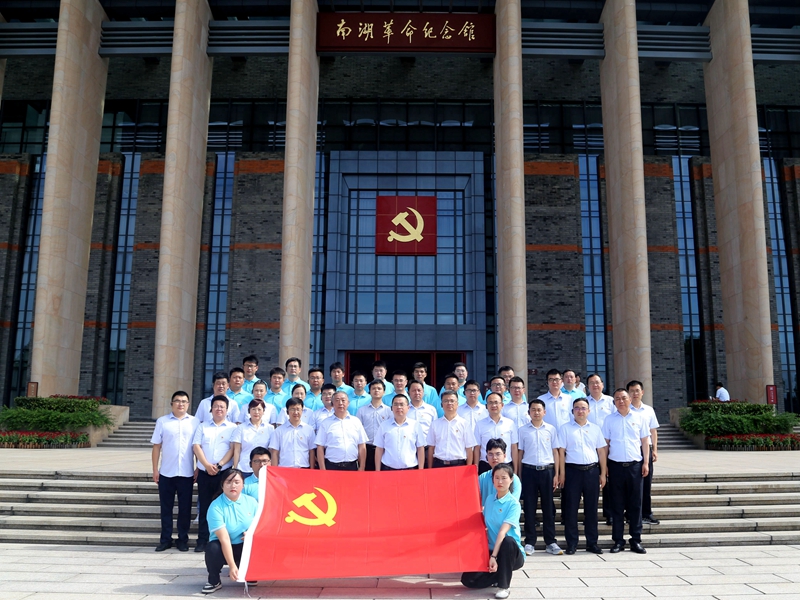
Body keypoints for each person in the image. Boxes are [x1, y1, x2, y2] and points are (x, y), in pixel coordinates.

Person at [461, 463, 525, 600]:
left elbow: (502, 532)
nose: (500, 482)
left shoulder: (513, 504)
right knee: (468, 580)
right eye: (496, 478)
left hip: (510, 553)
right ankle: (500, 574)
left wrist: (494, 557)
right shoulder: (490, 499)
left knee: (508, 541)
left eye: (504, 478)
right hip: (491, 549)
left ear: (511, 480)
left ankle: (504, 586)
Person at [602, 388, 650, 554]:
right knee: (617, 505)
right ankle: (618, 541)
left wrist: (646, 463)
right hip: (615, 466)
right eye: (617, 399)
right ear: (614, 402)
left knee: (635, 504)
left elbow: (645, 441)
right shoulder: (609, 419)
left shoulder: (640, 417)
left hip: (635, 466)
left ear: (629, 399)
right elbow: (605, 444)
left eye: (623, 398)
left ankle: (636, 540)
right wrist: (604, 466)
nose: (620, 401)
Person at [557, 398, 607, 555]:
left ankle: (592, 543)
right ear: (572, 411)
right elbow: (561, 452)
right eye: (577, 408)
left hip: (592, 471)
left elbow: (601, 451)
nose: (580, 411)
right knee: (571, 509)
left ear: (589, 411)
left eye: (583, 408)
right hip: (572, 472)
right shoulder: (565, 428)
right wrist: (562, 474)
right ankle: (572, 543)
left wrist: (603, 473)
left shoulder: (595, 429)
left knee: (591, 509)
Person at [151, 390, 198, 552]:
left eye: (184, 401)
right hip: (166, 473)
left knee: (185, 509)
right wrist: (155, 469)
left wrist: (198, 467)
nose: (180, 404)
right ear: (172, 403)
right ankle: (165, 539)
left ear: (188, 404)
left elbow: (198, 447)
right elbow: (156, 446)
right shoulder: (162, 421)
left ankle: (182, 539)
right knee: (166, 508)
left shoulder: (195, 422)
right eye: (177, 401)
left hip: (186, 473)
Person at [515, 398, 563, 556]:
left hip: (547, 471)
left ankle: (551, 542)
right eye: (533, 410)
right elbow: (520, 453)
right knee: (529, 507)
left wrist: (556, 474)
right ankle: (530, 542)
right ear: (529, 412)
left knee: (548, 508)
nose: (536, 412)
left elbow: (555, 452)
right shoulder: (522, 430)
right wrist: (519, 474)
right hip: (529, 471)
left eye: (539, 410)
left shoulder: (551, 429)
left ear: (544, 412)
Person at [202, 468, 258, 595]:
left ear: (243, 485)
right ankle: (214, 581)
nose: (233, 486)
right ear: (222, 485)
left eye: (237, 482)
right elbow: (224, 539)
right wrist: (232, 566)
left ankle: (250, 572)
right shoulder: (215, 507)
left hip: (244, 545)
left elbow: (260, 525)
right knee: (212, 548)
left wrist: (251, 534)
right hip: (223, 546)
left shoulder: (252, 502)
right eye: (229, 482)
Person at [192, 396, 236, 553]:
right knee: (204, 507)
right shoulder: (202, 426)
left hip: (223, 474)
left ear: (227, 410)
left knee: (223, 508)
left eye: (222, 406)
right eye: (216, 406)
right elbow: (196, 446)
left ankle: (221, 541)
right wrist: (206, 465)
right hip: (205, 473)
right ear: (211, 409)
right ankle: (202, 540)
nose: (219, 409)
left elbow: (232, 449)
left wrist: (219, 465)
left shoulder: (232, 427)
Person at [627, 379, 660, 525]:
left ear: (642, 392)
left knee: (646, 484)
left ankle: (646, 513)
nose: (635, 393)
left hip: (645, 449)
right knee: (631, 485)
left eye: (637, 391)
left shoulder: (649, 410)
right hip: (630, 450)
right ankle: (630, 514)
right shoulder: (623, 409)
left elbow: (653, 431)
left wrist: (655, 450)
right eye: (632, 391)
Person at [584, 373, 614, 525]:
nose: (595, 385)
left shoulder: (611, 402)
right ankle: (589, 516)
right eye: (591, 383)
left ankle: (610, 513)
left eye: (597, 382)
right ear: (587, 386)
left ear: (602, 384)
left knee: (608, 481)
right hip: (588, 446)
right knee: (588, 484)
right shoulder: (584, 403)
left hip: (607, 447)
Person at [316, 391, 368, 470]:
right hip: (331, 466)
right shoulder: (325, 423)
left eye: (343, 400)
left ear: (348, 403)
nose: (340, 403)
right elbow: (320, 447)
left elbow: (362, 445)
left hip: (352, 466)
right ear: (332, 404)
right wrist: (322, 469)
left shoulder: (356, 421)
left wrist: (362, 467)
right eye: (337, 400)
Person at [427, 390, 477, 468]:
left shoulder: (464, 424)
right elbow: (431, 448)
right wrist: (429, 469)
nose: (449, 403)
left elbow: (469, 449)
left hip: (459, 465)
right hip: (439, 464)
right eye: (446, 401)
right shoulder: (435, 424)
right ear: (441, 404)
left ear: (457, 404)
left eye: (452, 401)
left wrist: (468, 469)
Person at [374, 394, 426, 470]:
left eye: (402, 404)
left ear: (408, 408)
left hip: (410, 469)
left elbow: (420, 448)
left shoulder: (415, 425)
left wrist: (421, 470)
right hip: (388, 469)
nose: (399, 407)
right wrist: (377, 471)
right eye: (396, 404)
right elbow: (379, 449)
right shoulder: (384, 425)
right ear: (391, 408)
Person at [475, 392, 517, 474]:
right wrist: (476, 469)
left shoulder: (510, 423)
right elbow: (477, 448)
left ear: (502, 405)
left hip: (506, 465)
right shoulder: (479, 424)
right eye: (490, 403)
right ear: (486, 406)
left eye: (496, 402)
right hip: (485, 466)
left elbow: (514, 447)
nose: (493, 405)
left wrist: (515, 470)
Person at [268, 398, 317, 468]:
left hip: (304, 469)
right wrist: (275, 471)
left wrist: (312, 470)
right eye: (292, 409)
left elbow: (311, 451)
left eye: (298, 409)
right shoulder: (278, 431)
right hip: (284, 469)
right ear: (287, 412)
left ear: (302, 411)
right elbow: (275, 452)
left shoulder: (309, 430)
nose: (296, 412)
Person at [356, 379, 392, 471]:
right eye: (373, 388)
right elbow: (357, 431)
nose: (376, 390)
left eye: (379, 388)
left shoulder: (389, 411)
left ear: (384, 392)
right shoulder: (362, 410)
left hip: (384, 448)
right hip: (366, 448)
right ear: (369, 391)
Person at [231, 399, 273, 475]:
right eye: (253, 409)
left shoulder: (270, 428)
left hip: (263, 468)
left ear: (263, 411)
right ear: (249, 411)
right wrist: (235, 469)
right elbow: (237, 450)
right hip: (244, 468)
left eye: (259, 409)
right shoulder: (241, 428)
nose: (256, 412)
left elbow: (271, 451)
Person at [478, 439, 521, 505]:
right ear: (486, 456)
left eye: (498, 454)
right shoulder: (482, 478)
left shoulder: (514, 479)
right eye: (490, 454)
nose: (494, 458)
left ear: (504, 456)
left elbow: (513, 504)